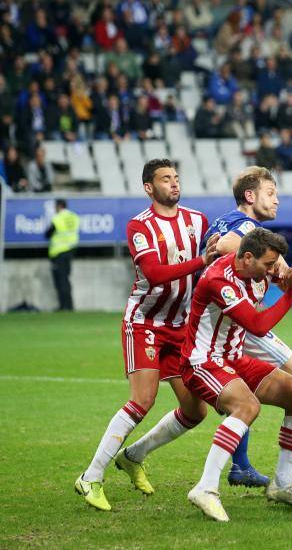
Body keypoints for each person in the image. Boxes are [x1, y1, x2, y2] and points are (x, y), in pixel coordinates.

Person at [75, 159, 220, 512]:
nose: (173, 183)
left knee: (195, 410)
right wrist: (203, 261)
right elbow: (154, 274)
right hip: (144, 323)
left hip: (180, 326)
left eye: (175, 177)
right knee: (142, 401)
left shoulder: (196, 220)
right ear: (148, 187)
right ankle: (91, 476)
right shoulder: (139, 226)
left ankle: (133, 455)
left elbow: (209, 264)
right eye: (165, 179)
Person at [198, 166, 292, 498]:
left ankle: (242, 465)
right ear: (250, 196)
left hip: (218, 322)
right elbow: (232, 245)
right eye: (271, 193)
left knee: (224, 399)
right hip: (236, 323)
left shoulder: (222, 220)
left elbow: (219, 246)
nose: (277, 200)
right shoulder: (245, 226)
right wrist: (284, 272)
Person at [182, 228, 292, 521]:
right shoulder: (220, 279)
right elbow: (257, 324)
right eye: (268, 264)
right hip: (202, 362)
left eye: (273, 264)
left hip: (233, 358)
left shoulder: (258, 270)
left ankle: (283, 483)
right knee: (247, 406)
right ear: (246, 258)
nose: (271, 270)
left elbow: (281, 277)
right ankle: (205, 488)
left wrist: (284, 274)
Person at [45, 199, 80, 311]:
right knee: (66, 278)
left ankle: (64, 306)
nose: (55, 209)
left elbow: (48, 233)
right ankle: (68, 305)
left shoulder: (57, 218)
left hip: (59, 251)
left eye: (55, 206)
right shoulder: (74, 217)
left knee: (61, 280)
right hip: (70, 250)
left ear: (59, 206)